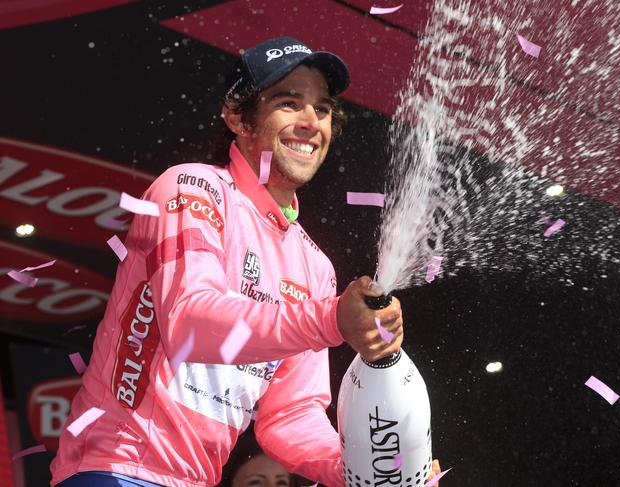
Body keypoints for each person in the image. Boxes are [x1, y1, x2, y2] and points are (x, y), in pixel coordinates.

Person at [50, 36, 404, 487]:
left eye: (323, 108)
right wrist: (332, 319)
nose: (311, 122)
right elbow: (190, 322)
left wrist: (370, 472)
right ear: (238, 118)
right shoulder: (192, 189)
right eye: (289, 102)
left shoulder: (315, 267)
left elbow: (289, 417)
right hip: (116, 467)